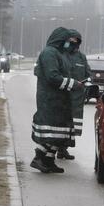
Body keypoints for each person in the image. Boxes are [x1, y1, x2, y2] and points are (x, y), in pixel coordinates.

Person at [30, 27, 83, 173]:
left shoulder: (61, 54)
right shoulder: (49, 53)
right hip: (50, 99)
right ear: (60, 39)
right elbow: (52, 76)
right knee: (52, 134)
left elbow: (66, 72)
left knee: (60, 134)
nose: (69, 44)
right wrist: (73, 84)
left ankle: (48, 160)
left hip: (61, 100)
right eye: (68, 41)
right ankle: (39, 158)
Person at [57, 29, 90, 160]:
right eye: (70, 40)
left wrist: (87, 85)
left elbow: (88, 74)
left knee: (71, 127)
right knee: (58, 125)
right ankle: (55, 149)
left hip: (76, 98)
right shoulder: (59, 54)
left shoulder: (81, 57)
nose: (72, 43)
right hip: (61, 96)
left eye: (75, 41)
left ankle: (64, 149)